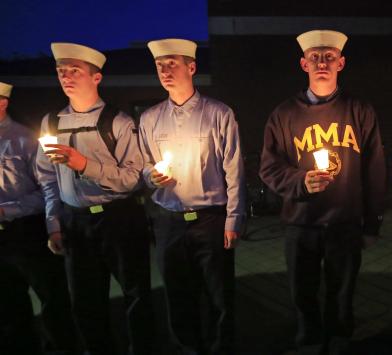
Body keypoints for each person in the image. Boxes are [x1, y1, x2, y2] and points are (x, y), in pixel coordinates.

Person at [259, 29, 386, 355]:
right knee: (302, 289)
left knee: (342, 290)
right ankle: (309, 339)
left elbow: (374, 169)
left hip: (345, 221)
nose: (322, 63)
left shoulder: (359, 110)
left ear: (341, 62)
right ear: (303, 64)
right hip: (301, 221)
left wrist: (372, 223)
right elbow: (269, 168)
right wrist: (300, 182)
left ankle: (340, 338)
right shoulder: (283, 114)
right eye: (315, 57)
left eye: (329, 57)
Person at [35, 42, 152, 355]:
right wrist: (53, 224)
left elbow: (132, 178)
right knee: (85, 301)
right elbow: (48, 179)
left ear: (96, 77)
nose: (66, 76)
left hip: (119, 218)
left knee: (136, 294)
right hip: (75, 221)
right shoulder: (51, 123)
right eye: (61, 71)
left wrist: (84, 165)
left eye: (75, 70)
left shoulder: (119, 122)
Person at [138, 38, 246, 355]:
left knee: (218, 293)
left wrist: (234, 219)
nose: (166, 71)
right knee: (177, 293)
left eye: (173, 64)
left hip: (210, 219)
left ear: (192, 67)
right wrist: (151, 175)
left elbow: (234, 169)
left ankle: (221, 347)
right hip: (169, 220)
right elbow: (143, 165)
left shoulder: (219, 113)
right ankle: (188, 348)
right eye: (160, 65)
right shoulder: (149, 118)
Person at [0, 81, 76, 355]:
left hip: (26, 230)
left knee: (51, 298)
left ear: (3, 102)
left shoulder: (24, 139)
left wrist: (8, 210)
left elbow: (47, 187)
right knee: (8, 303)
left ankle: (61, 347)